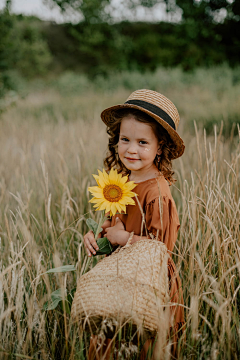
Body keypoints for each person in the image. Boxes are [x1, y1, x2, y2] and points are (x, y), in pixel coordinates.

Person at [83, 89, 185, 359]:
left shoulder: (157, 193)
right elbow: (110, 222)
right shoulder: (120, 180)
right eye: (125, 139)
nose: (131, 149)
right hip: (118, 281)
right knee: (105, 346)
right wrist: (98, 238)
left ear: (159, 147)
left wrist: (123, 239)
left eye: (142, 142)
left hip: (150, 287)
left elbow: (162, 248)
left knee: (145, 349)